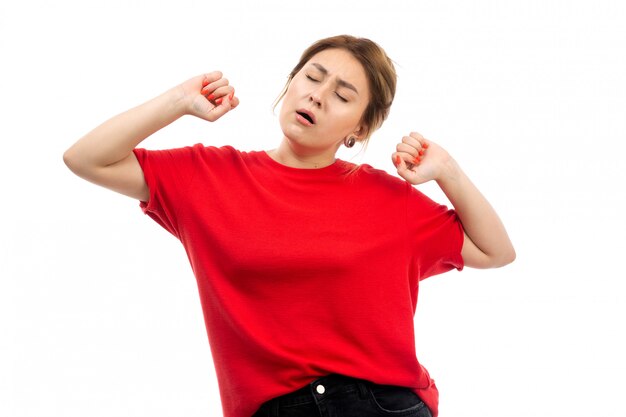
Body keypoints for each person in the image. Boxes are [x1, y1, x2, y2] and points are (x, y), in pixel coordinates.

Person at [63, 34, 515, 417]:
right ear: (290, 84)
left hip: (377, 404)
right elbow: (85, 159)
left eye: (342, 95)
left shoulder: (389, 200)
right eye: (312, 78)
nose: (318, 95)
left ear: (358, 128)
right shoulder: (208, 176)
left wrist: (448, 171)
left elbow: (496, 251)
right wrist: (179, 101)